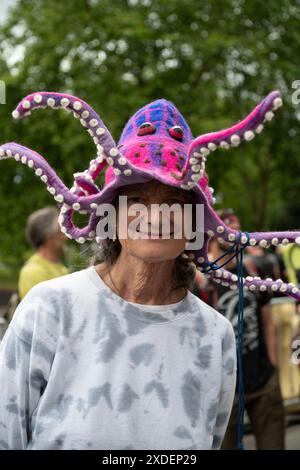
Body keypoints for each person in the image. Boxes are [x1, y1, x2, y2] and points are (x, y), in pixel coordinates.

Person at [0, 93, 238, 450]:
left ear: (193, 225)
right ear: (111, 214)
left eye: (174, 203)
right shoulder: (50, 309)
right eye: (138, 200)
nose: (156, 218)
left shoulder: (214, 335)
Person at [207, 209, 285, 450]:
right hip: (223, 390)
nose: (232, 235)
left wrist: (273, 364)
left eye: (235, 230)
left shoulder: (251, 272)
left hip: (262, 380)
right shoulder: (203, 279)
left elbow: (267, 318)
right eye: (226, 229)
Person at [18, 207, 69, 300]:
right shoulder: (33, 271)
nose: (66, 237)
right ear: (49, 237)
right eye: (61, 232)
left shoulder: (62, 269)